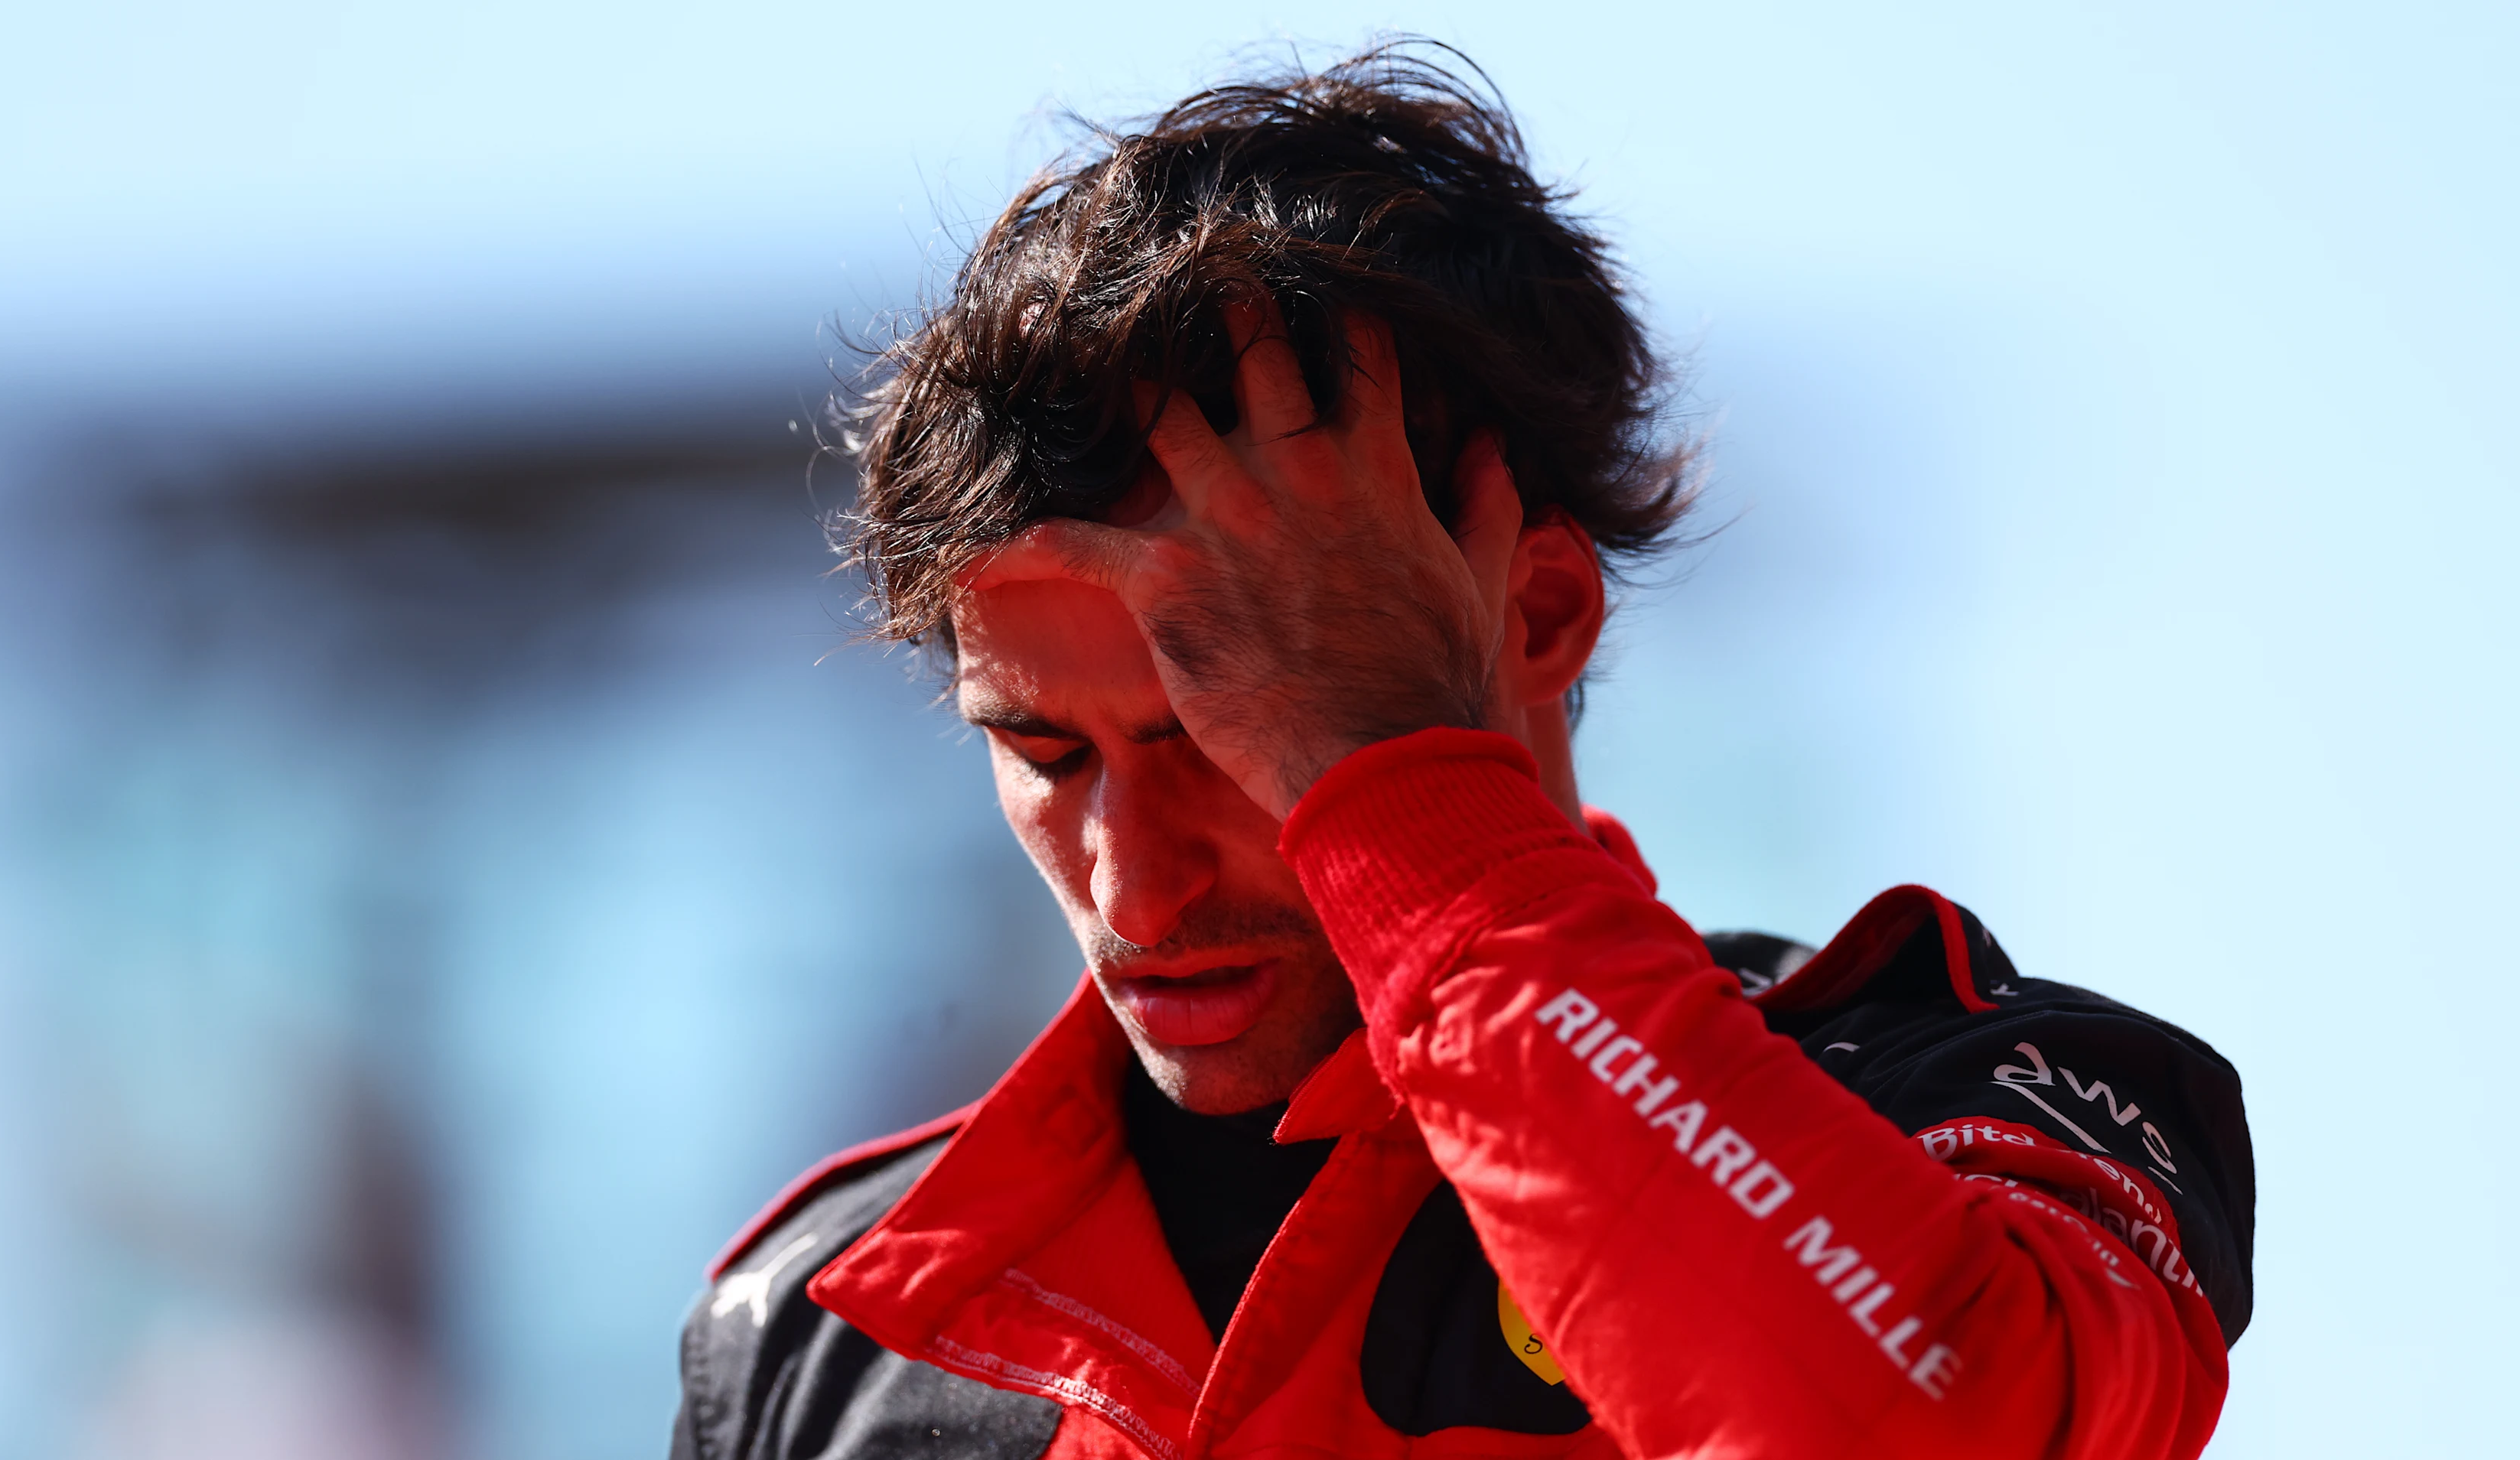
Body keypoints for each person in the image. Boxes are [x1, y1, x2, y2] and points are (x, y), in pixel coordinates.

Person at [671, 43, 2252, 1460]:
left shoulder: (1975, 1107)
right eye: (1045, 754)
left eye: (1226, 732)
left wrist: (1395, 789)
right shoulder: (813, 1328)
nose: (1135, 891)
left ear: (1538, 613)